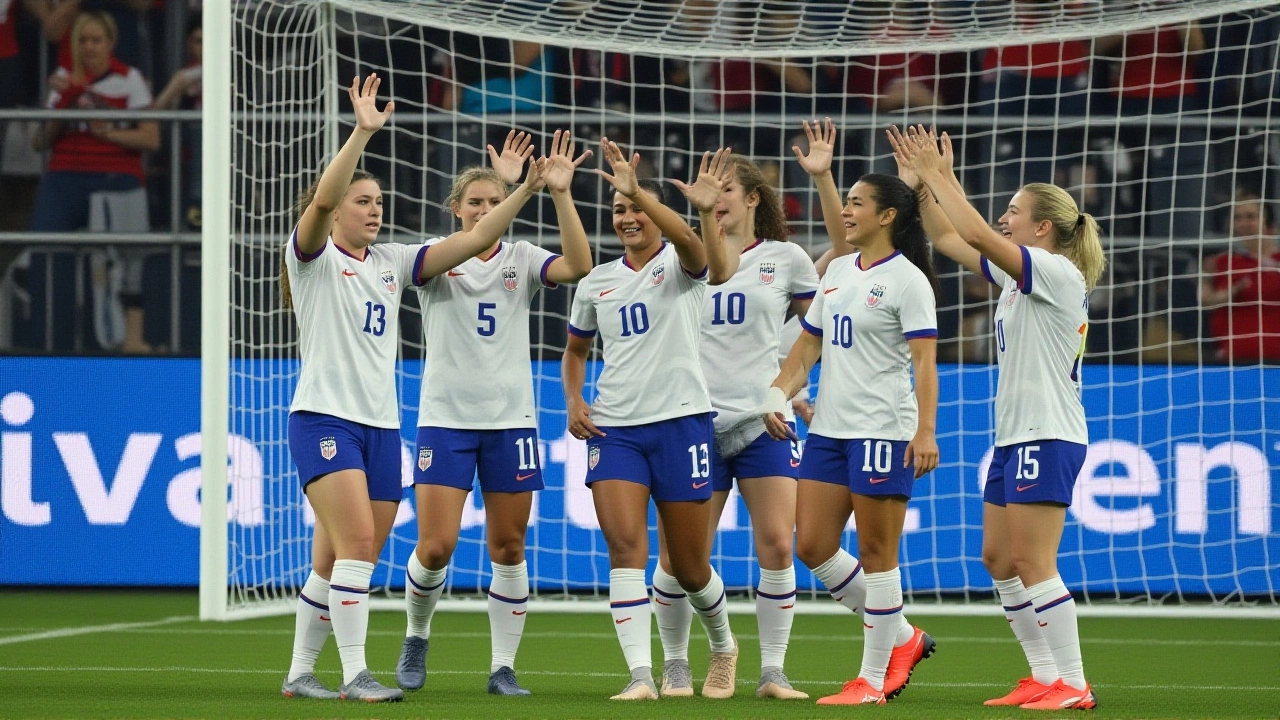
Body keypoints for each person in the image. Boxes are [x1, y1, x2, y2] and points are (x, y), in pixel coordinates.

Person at [279, 74, 545, 702]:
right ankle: (353, 675)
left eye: (378, 202)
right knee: (362, 546)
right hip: (324, 419)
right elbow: (318, 205)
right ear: (337, 205)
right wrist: (363, 133)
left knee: (337, 559)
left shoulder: (394, 263)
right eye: (362, 200)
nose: (375, 209)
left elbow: (479, 238)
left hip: (379, 425)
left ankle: (298, 673)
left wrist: (521, 190)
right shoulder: (314, 259)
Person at [891, 124, 1105, 710]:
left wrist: (942, 174)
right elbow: (946, 234)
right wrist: (926, 188)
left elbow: (979, 234)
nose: (1004, 217)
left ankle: (1074, 681)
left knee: (1035, 562)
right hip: (1014, 436)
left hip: (1050, 432)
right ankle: (1042, 674)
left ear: (1043, 228)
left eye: (1015, 211)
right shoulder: (1017, 279)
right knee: (997, 559)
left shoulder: (1057, 273)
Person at [394, 129, 593, 696]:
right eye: (473, 202)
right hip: (445, 419)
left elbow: (580, 265)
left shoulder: (523, 258)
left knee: (508, 546)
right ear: (455, 210)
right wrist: (517, 188)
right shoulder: (433, 259)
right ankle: (416, 633)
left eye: (490, 200)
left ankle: (503, 666)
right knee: (436, 546)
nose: (483, 210)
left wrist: (556, 192)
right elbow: (483, 232)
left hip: (511, 422)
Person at [761, 124, 941, 706]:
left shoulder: (908, 281)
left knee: (877, 557)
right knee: (811, 544)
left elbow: (924, 362)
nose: (848, 211)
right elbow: (806, 349)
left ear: (887, 216)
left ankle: (870, 680)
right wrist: (775, 392)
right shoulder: (837, 272)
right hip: (830, 432)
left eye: (859, 203)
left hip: (882, 432)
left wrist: (926, 430)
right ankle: (904, 636)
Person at [562, 140, 738, 701]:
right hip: (614, 430)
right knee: (625, 550)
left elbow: (693, 243)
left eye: (635, 208)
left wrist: (639, 190)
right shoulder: (596, 282)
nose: (628, 217)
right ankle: (643, 674)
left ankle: (724, 647)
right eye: (618, 210)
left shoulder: (680, 264)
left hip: (682, 424)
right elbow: (574, 351)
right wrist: (573, 399)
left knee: (689, 567)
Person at [649, 151, 818, 700]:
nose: (713, 196)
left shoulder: (787, 258)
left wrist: (794, 388)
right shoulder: (684, 256)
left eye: (724, 189)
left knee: (776, 543)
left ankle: (773, 672)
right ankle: (676, 664)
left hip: (760, 420)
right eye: (706, 189)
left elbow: (816, 334)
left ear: (752, 199)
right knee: (679, 558)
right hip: (691, 420)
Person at [25, 9, 159, 353]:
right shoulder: (62, 81)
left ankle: (128, 340)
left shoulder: (130, 79)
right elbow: (39, 141)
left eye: (96, 40)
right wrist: (67, 102)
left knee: (127, 258)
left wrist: (110, 132)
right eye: (82, 40)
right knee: (44, 248)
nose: (89, 47)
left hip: (116, 176)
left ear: (110, 43)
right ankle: (47, 341)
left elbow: (151, 138)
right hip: (66, 174)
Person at [1201, 192, 1280, 363]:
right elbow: (1206, 301)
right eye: (1238, 218)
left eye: (1251, 216)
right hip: (1236, 362)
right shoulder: (1223, 262)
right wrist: (1233, 291)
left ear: (1268, 224)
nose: (1243, 224)